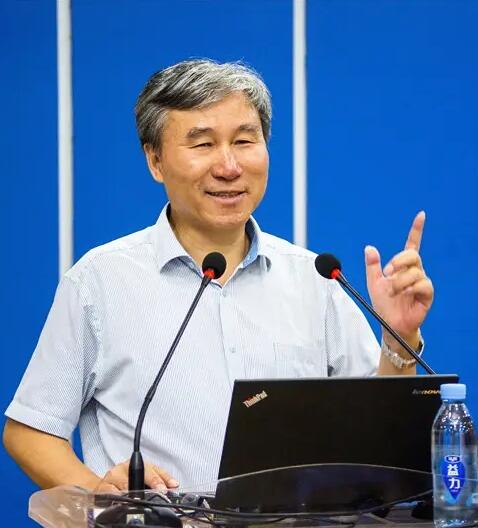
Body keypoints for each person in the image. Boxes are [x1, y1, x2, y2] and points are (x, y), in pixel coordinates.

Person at [3, 59, 433, 493]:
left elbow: (375, 434)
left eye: (245, 141)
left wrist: (398, 339)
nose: (229, 166)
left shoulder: (317, 279)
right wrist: (99, 494)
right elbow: (30, 432)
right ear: (155, 160)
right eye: (203, 144)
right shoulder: (99, 282)